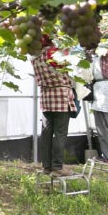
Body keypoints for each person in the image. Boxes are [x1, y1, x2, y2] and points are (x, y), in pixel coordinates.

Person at [32, 34, 76, 177]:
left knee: (46, 133)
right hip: (60, 96)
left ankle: (47, 167)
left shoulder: (35, 57)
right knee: (60, 134)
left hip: (46, 97)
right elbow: (67, 66)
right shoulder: (53, 53)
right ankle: (57, 167)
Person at [90, 44, 108, 164]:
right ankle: (107, 156)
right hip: (102, 88)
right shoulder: (101, 53)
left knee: (104, 126)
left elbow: (104, 51)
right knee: (101, 125)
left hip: (105, 89)